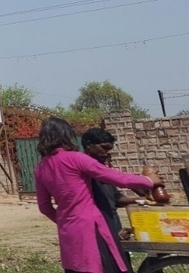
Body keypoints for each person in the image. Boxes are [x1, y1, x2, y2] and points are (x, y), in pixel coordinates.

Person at [35, 117, 163, 273]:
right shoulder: (76, 158)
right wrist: (149, 180)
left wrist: (65, 220)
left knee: (77, 267)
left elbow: (45, 207)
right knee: (103, 265)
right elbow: (115, 177)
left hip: (68, 230)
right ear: (66, 135)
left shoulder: (41, 168)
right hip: (92, 227)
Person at [81, 128, 140, 271]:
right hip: (97, 226)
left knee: (121, 263)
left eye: (110, 149)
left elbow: (116, 198)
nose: (108, 152)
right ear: (89, 145)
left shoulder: (102, 170)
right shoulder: (84, 171)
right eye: (104, 148)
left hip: (112, 221)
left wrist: (139, 200)